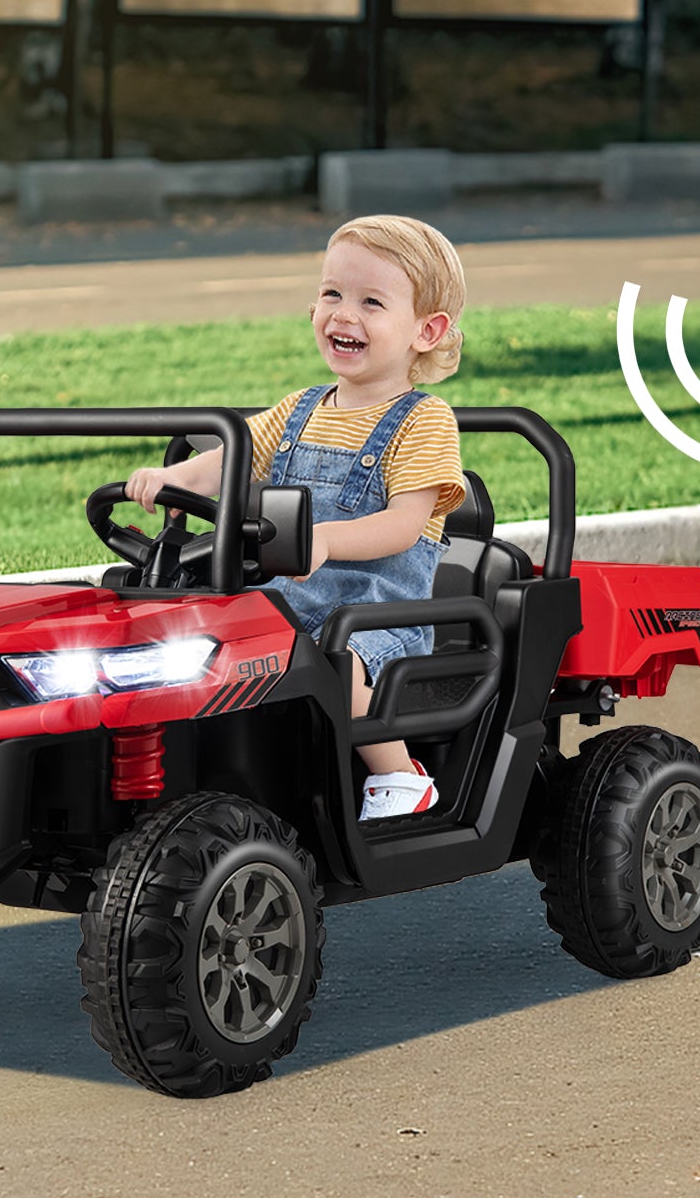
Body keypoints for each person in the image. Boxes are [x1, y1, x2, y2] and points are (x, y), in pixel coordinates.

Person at [125, 214, 467, 823]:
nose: (343, 314)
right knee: (199, 631)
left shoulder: (425, 420)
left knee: (343, 659)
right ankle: (202, 768)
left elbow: (406, 525)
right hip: (287, 597)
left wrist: (327, 541)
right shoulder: (299, 409)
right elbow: (228, 462)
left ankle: (399, 774)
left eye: (371, 302)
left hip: (380, 612)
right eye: (332, 294)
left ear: (426, 330)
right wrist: (174, 479)